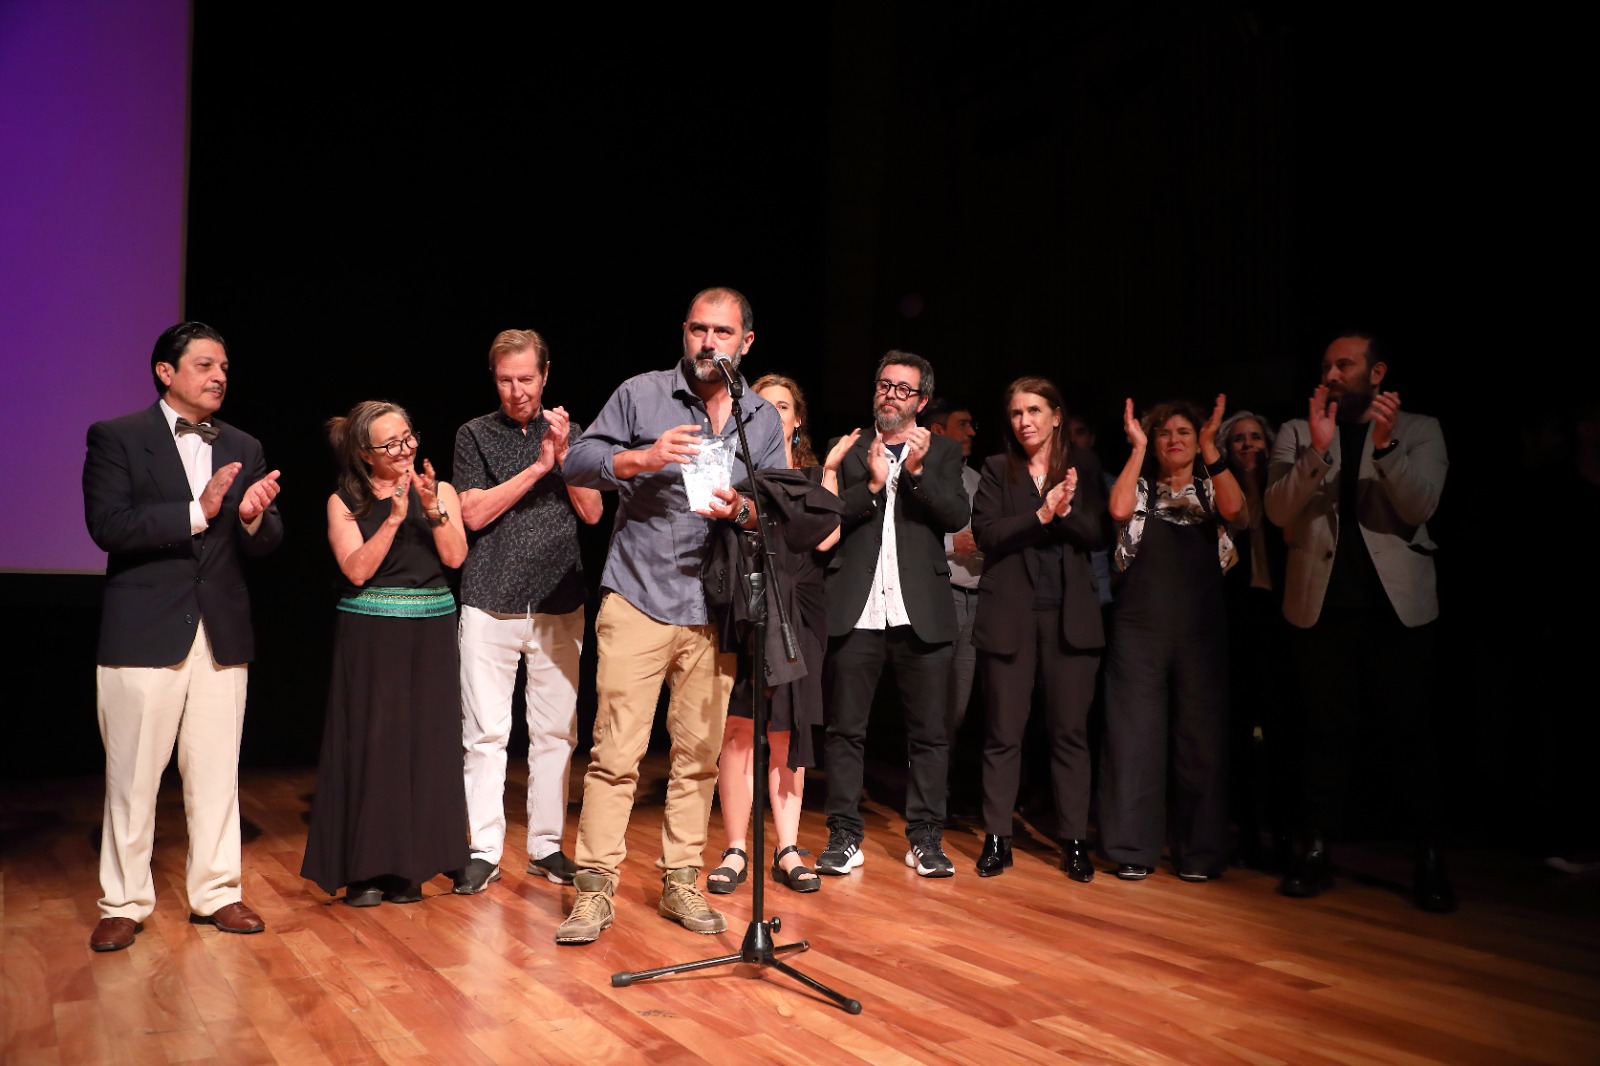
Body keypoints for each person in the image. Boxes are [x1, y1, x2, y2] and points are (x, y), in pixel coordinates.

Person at [554, 287, 784, 945]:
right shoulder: (641, 394)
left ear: (746, 342)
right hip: (638, 594)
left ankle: (682, 880)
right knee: (616, 751)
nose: (708, 342)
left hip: (712, 606)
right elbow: (577, 459)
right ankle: (594, 891)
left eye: (722, 331)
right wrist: (641, 458)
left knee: (699, 756)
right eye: (697, 329)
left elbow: (776, 505)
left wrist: (740, 510)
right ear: (684, 333)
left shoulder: (760, 417)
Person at [84, 322, 283, 952]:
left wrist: (252, 519)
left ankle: (218, 892)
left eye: (224, 365)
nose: (219, 375)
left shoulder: (244, 443)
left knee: (217, 771)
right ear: (165, 372)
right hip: (144, 630)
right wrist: (200, 510)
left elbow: (269, 536)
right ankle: (123, 901)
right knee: (133, 775)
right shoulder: (117, 437)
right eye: (204, 364)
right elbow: (108, 525)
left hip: (221, 630)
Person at [1264, 331, 1454, 912]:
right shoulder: (1299, 431)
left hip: (1396, 608)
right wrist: (1318, 452)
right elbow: (1276, 510)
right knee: (1323, 733)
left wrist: (1385, 445)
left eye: (1344, 364)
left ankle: (1429, 859)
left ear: (1377, 373)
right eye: (1326, 365)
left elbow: (1420, 507)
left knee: (1410, 735)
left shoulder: (1420, 429)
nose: (1332, 373)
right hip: (1322, 606)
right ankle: (1315, 850)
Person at [450, 330, 603, 895]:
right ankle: (485, 848)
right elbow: (472, 513)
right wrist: (537, 469)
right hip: (490, 598)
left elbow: (591, 514)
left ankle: (545, 846)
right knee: (486, 733)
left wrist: (563, 457)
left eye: (526, 379)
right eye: (505, 380)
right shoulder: (474, 434)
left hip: (559, 602)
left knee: (555, 733)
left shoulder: (572, 433)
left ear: (545, 376)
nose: (516, 391)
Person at [300, 401, 470, 906]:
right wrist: (395, 518)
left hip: (431, 632)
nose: (404, 450)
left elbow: (455, 556)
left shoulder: (439, 491)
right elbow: (355, 570)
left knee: (425, 747)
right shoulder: (344, 500)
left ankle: (411, 868)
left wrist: (430, 507)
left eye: (408, 438)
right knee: (375, 748)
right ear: (363, 453)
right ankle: (367, 869)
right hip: (372, 636)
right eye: (391, 444)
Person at [817, 351, 971, 879]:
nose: (891, 395)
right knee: (845, 730)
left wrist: (919, 473)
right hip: (857, 608)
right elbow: (828, 518)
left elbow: (956, 515)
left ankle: (926, 838)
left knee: (929, 733)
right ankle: (843, 835)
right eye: (885, 385)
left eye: (903, 389)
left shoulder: (945, 451)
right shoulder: (852, 447)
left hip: (918, 609)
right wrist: (874, 485)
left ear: (922, 401)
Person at [707, 374, 841, 896]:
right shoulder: (735, 472)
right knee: (740, 728)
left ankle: (787, 847)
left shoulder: (810, 475)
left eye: (783, 405)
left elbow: (828, 536)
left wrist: (828, 472)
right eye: (763, 404)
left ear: (796, 417)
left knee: (789, 727)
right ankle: (737, 848)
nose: (773, 412)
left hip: (799, 605)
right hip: (746, 601)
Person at [1099, 396, 1242, 882]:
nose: (1174, 440)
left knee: (1199, 741)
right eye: (1165, 433)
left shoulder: (1210, 484)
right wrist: (1136, 447)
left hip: (1200, 629)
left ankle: (1199, 853)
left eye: (1184, 431)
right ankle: (1133, 849)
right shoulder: (1138, 488)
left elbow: (1235, 509)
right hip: (1139, 628)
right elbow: (1117, 509)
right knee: (1133, 739)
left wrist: (1209, 448)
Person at [970, 377, 1107, 881]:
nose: (1023, 420)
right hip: (1011, 616)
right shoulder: (995, 470)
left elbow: (1097, 533)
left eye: (1033, 410)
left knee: (1070, 734)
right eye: (1015, 413)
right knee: (1003, 734)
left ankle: (1073, 843)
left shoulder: (1083, 468)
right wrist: (1042, 513)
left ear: (1056, 416)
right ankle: (997, 838)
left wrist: (1064, 513)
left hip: (1070, 618)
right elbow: (987, 533)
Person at [1217, 410, 1291, 869]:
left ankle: (1284, 834)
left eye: (1256, 438)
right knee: (1238, 732)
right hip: (1234, 616)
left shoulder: (1285, 490)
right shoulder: (1222, 493)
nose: (1248, 446)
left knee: (1283, 730)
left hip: (1281, 616)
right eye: (1239, 439)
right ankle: (1244, 833)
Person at [924, 398, 983, 814]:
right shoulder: (919, 475)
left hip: (978, 599)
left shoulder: (980, 479)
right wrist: (951, 545)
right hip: (941, 594)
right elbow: (903, 536)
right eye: (964, 423)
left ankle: (940, 793)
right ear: (940, 431)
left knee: (958, 707)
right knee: (933, 703)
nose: (972, 431)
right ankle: (927, 799)